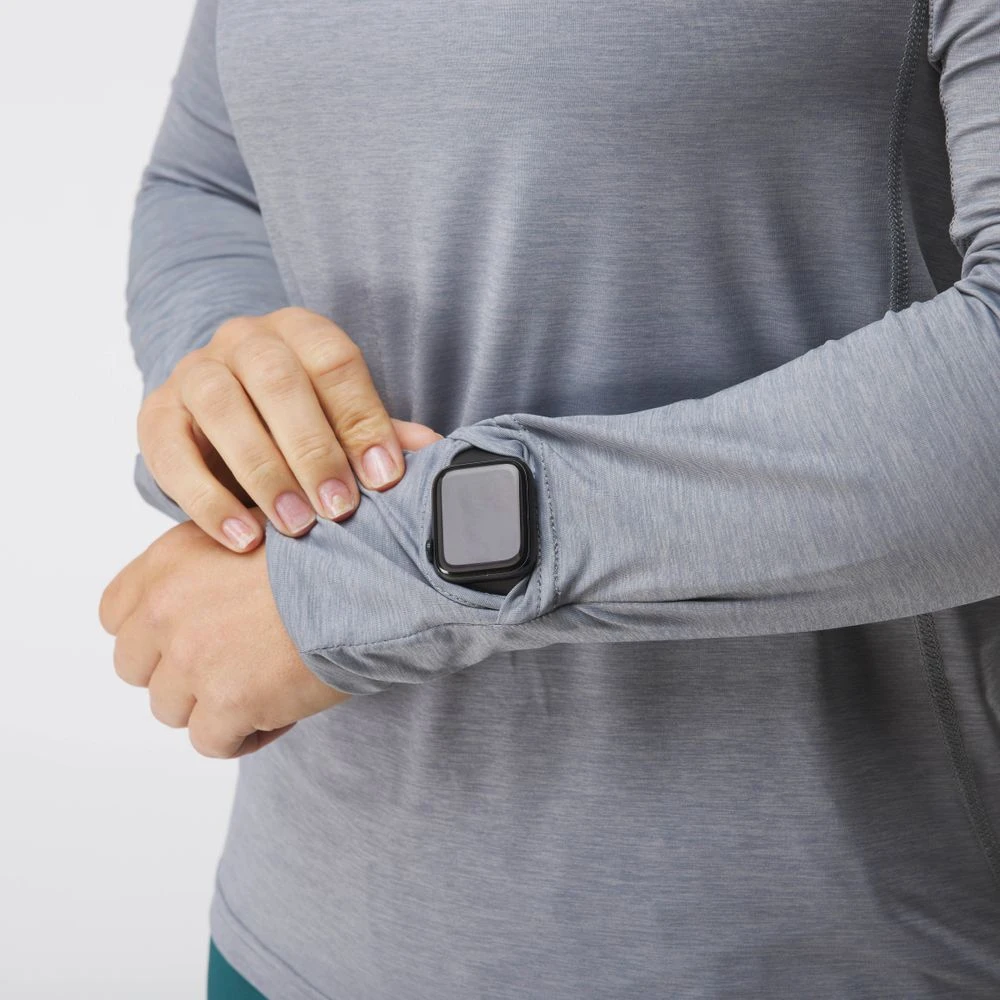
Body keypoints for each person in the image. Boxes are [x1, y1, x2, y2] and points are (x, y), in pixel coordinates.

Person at [98, 0, 1000, 996]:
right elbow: (209, 182)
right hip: (295, 934)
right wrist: (237, 378)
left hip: (813, 942)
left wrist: (368, 578)